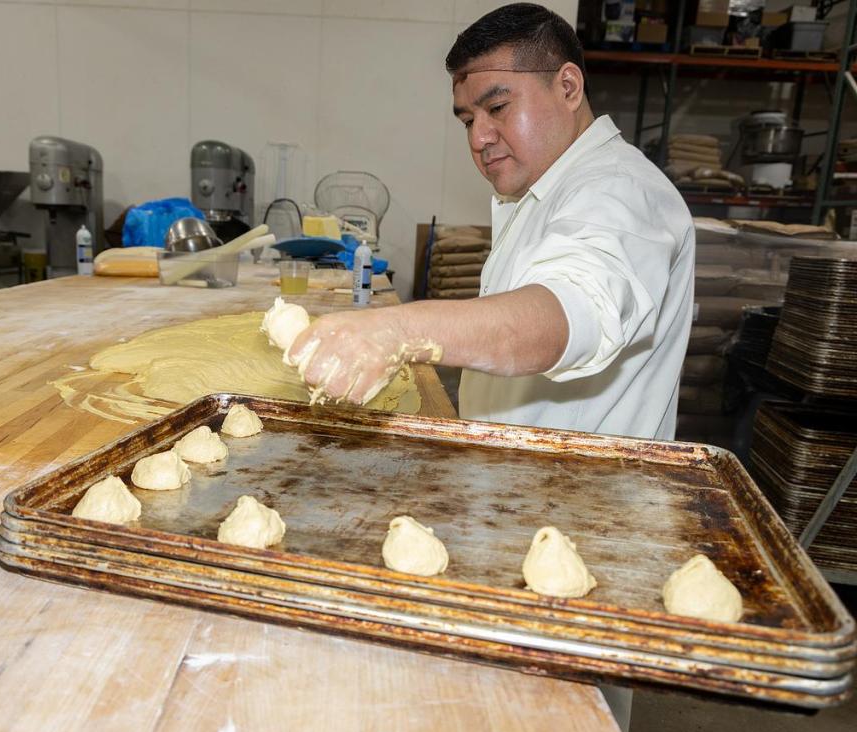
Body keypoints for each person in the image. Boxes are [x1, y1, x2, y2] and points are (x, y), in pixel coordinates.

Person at [287, 3, 694, 447]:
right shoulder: (542, 189)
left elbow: (566, 315)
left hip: (579, 485)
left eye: (497, 107)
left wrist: (396, 331)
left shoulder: (621, 190)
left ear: (568, 87)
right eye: (468, 120)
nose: (479, 138)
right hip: (518, 473)